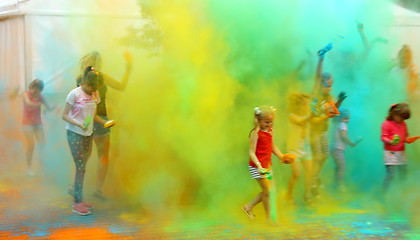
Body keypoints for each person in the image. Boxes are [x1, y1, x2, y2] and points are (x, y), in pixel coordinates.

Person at [74, 51, 132, 200]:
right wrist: (129, 67)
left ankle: (75, 186)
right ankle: (98, 190)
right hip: (100, 118)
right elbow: (121, 86)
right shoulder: (101, 76)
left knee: (85, 155)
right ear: (98, 62)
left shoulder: (80, 78)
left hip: (85, 119)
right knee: (103, 156)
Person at [62, 66, 113, 215]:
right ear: (87, 83)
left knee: (83, 167)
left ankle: (79, 199)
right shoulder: (74, 94)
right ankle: (76, 203)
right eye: (93, 87)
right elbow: (64, 115)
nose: (94, 91)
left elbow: (94, 115)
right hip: (75, 134)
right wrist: (78, 124)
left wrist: (104, 122)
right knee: (81, 167)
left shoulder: (95, 93)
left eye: (96, 89)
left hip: (88, 134)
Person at [242, 106, 284, 224]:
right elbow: (251, 152)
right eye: (266, 122)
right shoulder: (255, 134)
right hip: (257, 167)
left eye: (271, 122)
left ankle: (248, 207)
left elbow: (272, 147)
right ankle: (269, 219)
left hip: (267, 167)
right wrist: (259, 165)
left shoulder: (270, 131)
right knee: (268, 191)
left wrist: (281, 156)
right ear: (258, 120)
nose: (269, 124)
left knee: (270, 191)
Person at [381, 103, 418, 193]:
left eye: (404, 118)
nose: (402, 120)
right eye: (401, 117)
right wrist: (391, 141)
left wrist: (408, 139)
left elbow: (405, 136)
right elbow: (383, 137)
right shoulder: (386, 124)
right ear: (394, 114)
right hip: (390, 152)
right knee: (391, 174)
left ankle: (402, 192)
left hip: (401, 152)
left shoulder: (403, 124)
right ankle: (383, 192)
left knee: (403, 173)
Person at [285, 92, 313, 204]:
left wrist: (326, 115)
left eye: (307, 104)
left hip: (306, 149)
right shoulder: (292, 116)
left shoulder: (307, 115)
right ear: (298, 105)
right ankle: (289, 195)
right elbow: (300, 122)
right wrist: (311, 116)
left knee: (310, 173)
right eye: (305, 104)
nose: (307, 107)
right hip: (294, 149)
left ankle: (307, 196)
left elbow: (316, 120)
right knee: (296, 174)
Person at [22, 79, 53, 176]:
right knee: (31, 145)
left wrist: (55, 108)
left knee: (42, 144)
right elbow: (28, 102)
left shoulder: (41, 97)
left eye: (38, 89)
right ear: (30, 87)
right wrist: (38, 104)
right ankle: (29, 168)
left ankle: (41, 167)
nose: (35, 91)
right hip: (27, 124)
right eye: (34, 88)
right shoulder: (26, 94)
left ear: (41, 90)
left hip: (38, 124)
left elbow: (48, 107)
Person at [330, 108, 362, 191]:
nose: (347, 120)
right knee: (342, 167)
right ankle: (339, 185)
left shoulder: (337, 124)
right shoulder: (342, 124)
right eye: (346, 118)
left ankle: (335, 184)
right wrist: (351, 143)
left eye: (348, 118)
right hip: (337, 150)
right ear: (341, 118)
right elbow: (343, 136)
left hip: (334, 149)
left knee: (338, 167)